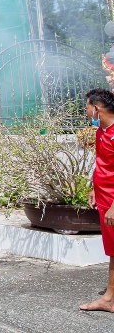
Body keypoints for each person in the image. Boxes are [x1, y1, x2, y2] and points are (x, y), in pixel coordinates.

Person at [81, 88, 114, 312]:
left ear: (96, 108)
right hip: (103, 197)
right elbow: (102, 162)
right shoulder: (101, 131)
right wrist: (94, 188)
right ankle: (110, 297)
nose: (86, 112)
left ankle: (109, 299)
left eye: (86, 107)